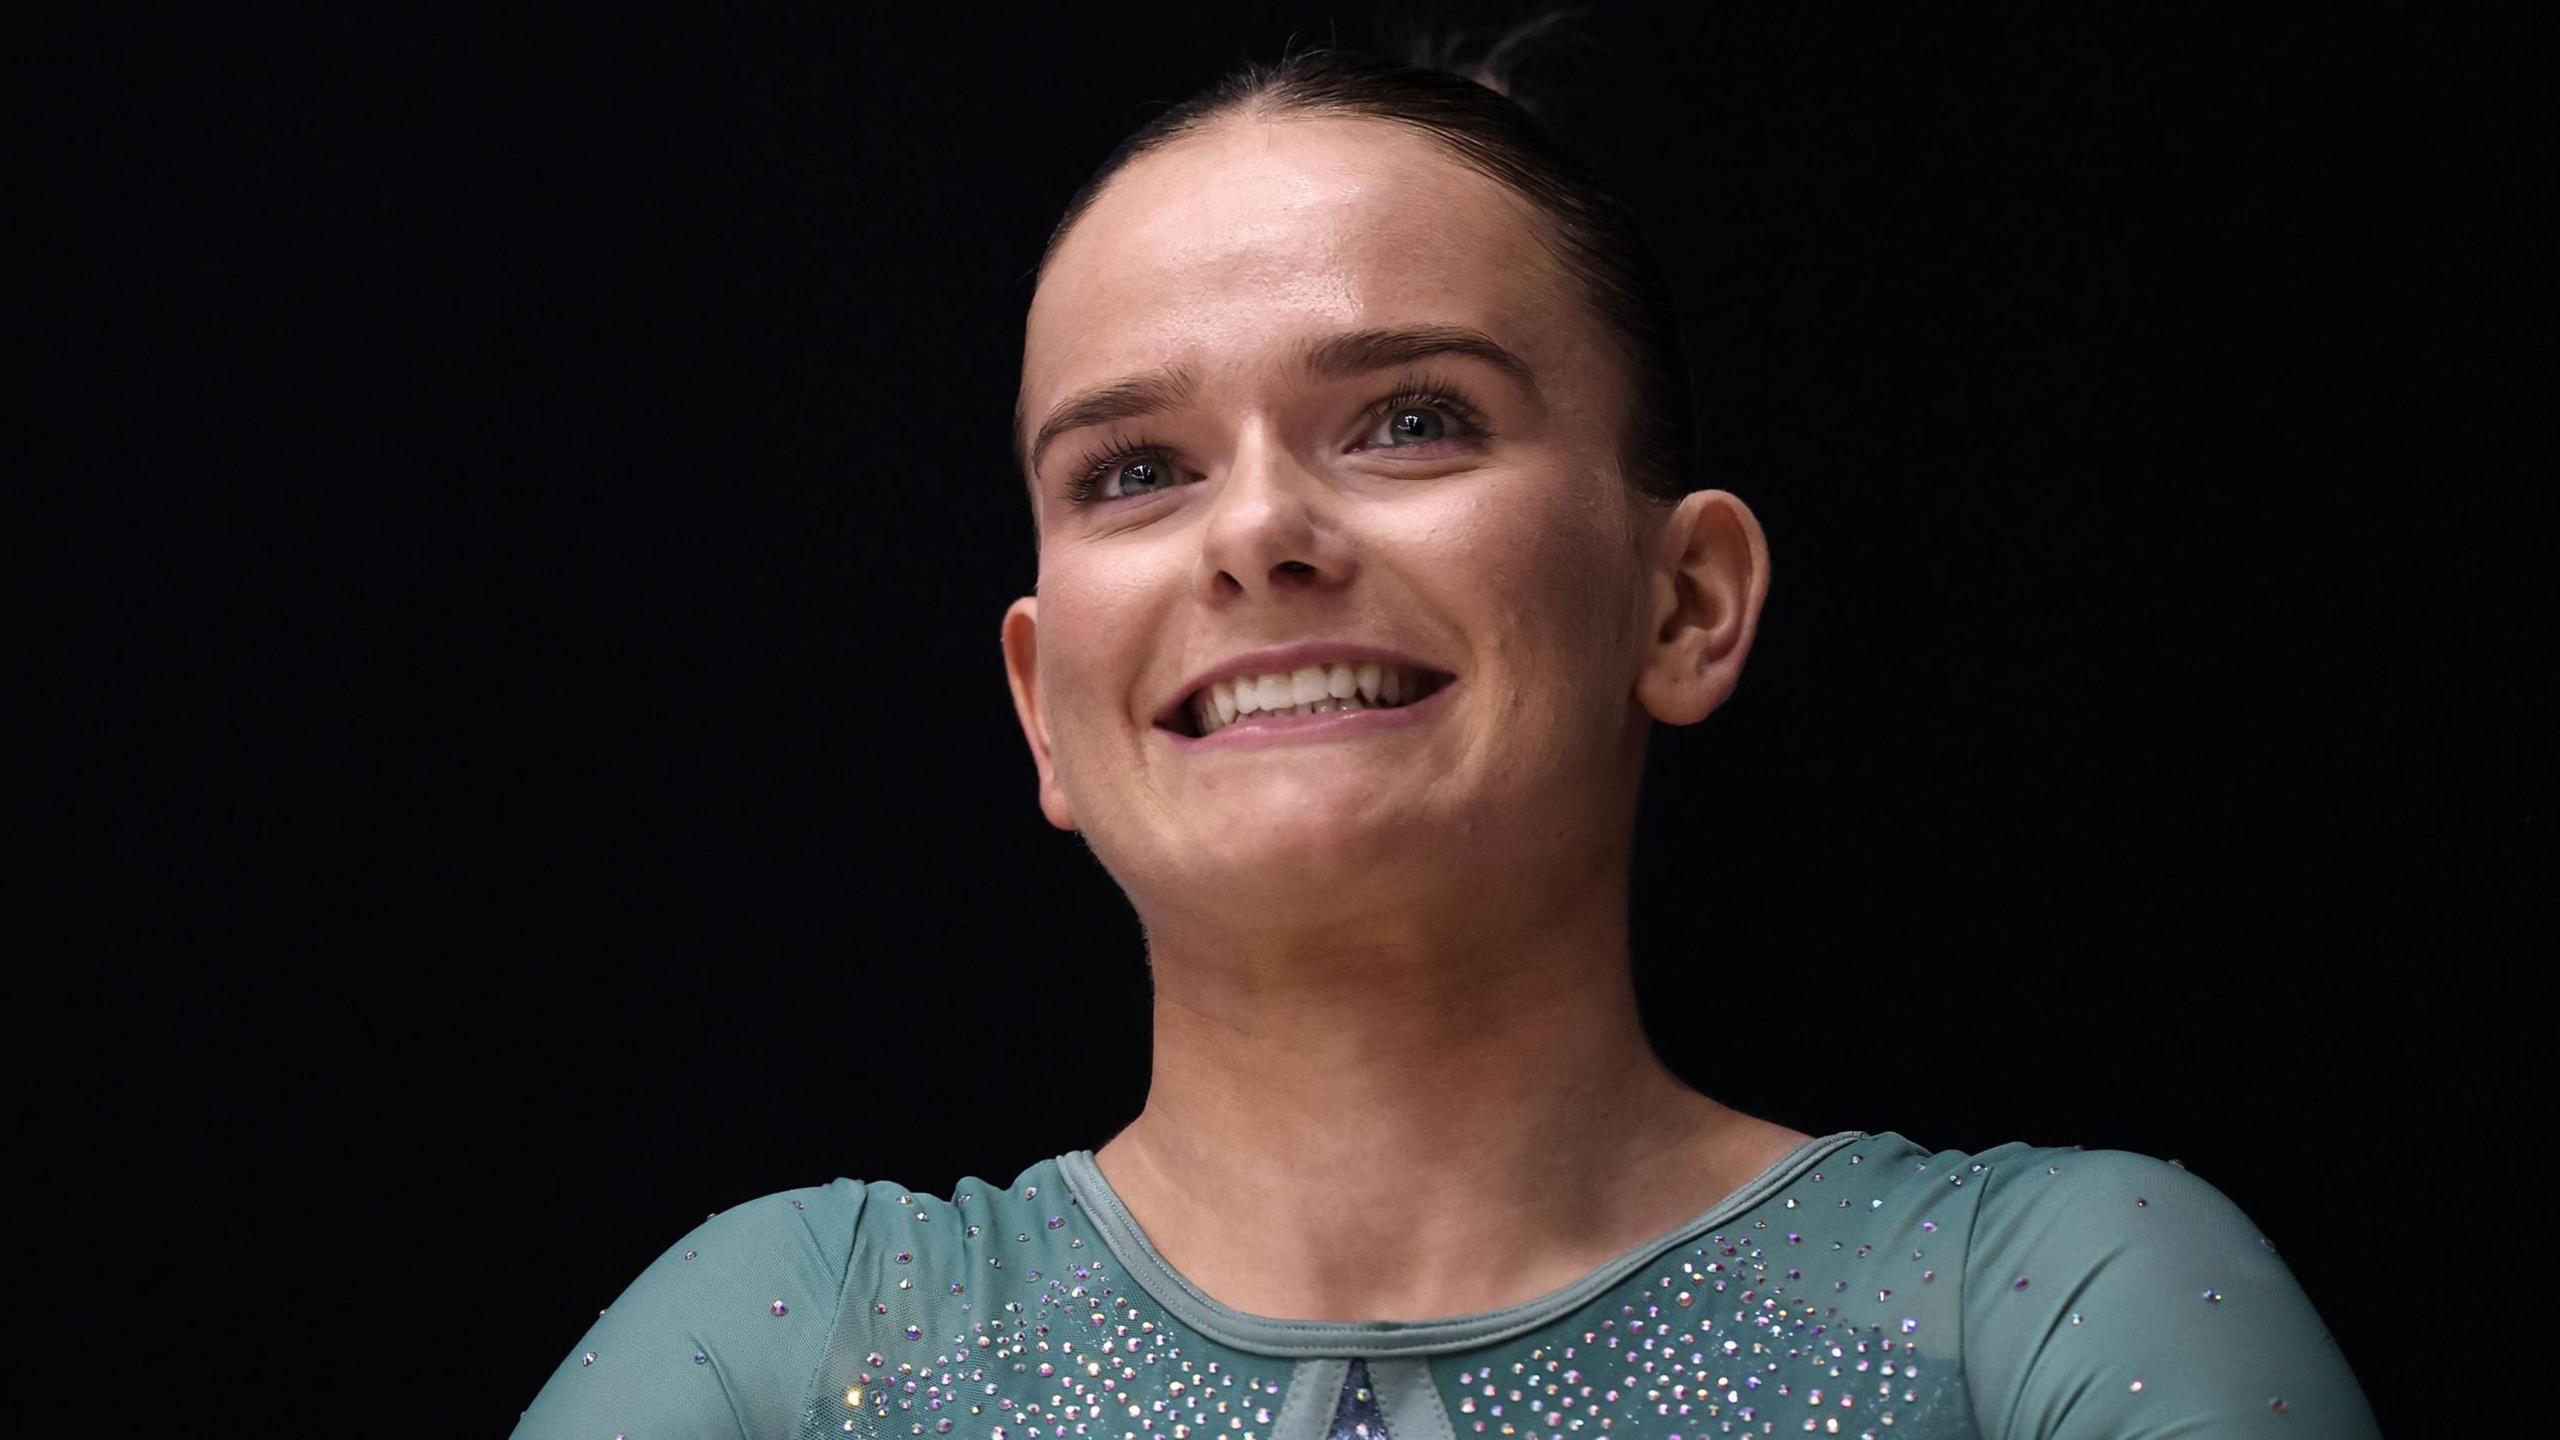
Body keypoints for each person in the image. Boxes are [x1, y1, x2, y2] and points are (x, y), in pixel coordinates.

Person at [511, 34, 2381, 1440]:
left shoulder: (2042, 1312)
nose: (1259, 529)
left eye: (1412, 420)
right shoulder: (794, 1347)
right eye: (1137, 469)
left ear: (1685, 601)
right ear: (1042, 706)